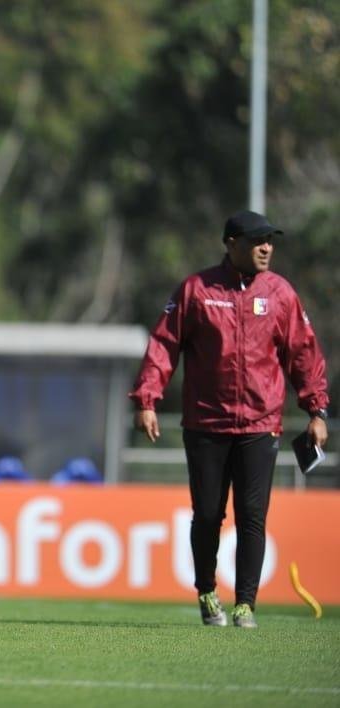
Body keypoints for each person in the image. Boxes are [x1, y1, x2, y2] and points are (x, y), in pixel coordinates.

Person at [129, 210, 329, 628]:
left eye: (270, 240)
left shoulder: (280, 294)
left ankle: (245, 605)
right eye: (257, 241)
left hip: (261, 424)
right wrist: (148, 399)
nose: (267, 248)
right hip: (206, 424)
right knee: (207, 514)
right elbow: (164, 345)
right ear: (231, 244)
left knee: (253, 515)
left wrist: (316, 410)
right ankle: (206, 592)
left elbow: (304, 354)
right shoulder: (196, 291)